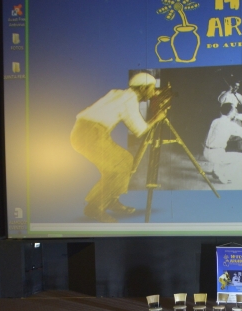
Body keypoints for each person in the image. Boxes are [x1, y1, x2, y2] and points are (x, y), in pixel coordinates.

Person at [70, 72, 169, 223]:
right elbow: (140, 130)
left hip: (85, 132)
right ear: (142, 88)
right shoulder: (129, 100)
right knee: (122, 165)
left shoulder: (118, 93)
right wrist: (157, 117)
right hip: (91, 134)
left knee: (117, 166)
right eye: (151, 89)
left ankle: (110, 200)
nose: (153, 92)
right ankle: (95, 208)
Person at [203, 103, 242, 184]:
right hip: (216, 155)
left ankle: (216, 171)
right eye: (235, 110)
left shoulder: (215, 121)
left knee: (221, 149)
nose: (236, 111)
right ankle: (224, 175)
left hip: (206, 152)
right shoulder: (230, 125)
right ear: (231, 112)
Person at [217, 78, 242, 152]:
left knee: (240, 130)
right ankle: (221, 148)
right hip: (225, 114)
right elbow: (220, 100)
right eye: (235, 86)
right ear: (231, 86)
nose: (236, 88)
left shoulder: (238, 95)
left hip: (234, 114)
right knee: (224, 131)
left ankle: (241, 149)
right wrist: (228, 91)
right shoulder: (224, 93)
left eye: (238, 86)